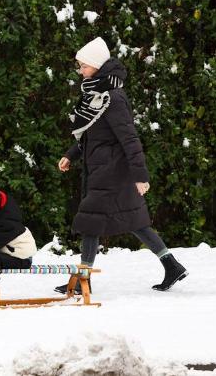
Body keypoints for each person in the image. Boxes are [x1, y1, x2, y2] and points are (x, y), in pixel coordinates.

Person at [56, 37, 187, 294]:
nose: (80, 71)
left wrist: (141, 176)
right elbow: (91, 134)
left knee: (90, 222)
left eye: (83, 66)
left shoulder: (112, 98)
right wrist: (71, 155)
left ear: (96, 66)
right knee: (134, 221)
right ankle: (171, 265)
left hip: (113, 172)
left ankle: (85, 279)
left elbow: (129, 138)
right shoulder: (96, 95)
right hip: (102, 170)